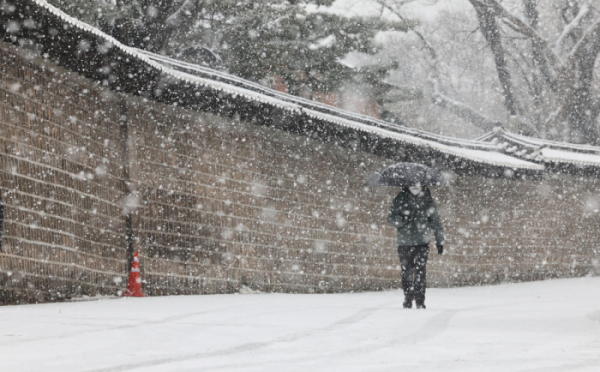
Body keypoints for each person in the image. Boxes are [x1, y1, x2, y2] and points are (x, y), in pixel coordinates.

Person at [387, 184, 444, 309]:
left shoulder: (427, 199)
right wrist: (402, 219)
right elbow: (390, 218)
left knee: (420, 271)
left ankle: (420, 300)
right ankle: (408, 297)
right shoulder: (401, 198)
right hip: (404, 243)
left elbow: (436, 222)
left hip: (422, 243)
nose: (415, 185)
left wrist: (440, 241)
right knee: (406, 271)